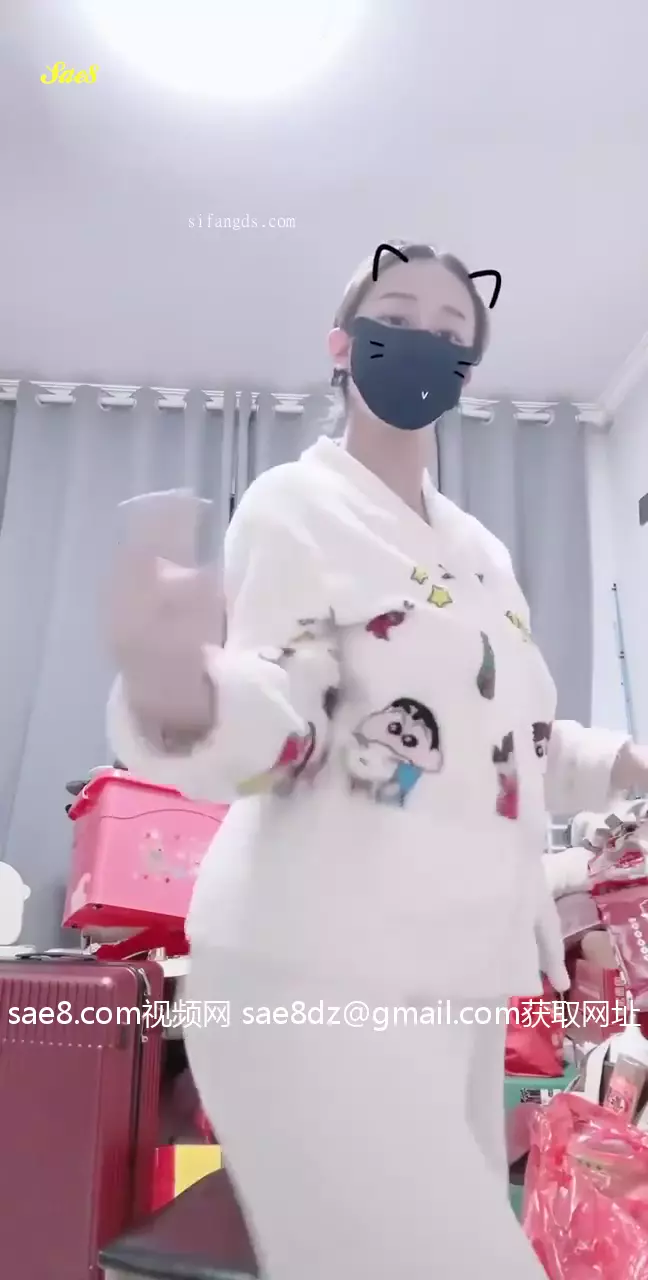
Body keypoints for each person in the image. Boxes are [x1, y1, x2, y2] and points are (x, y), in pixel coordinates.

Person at [106, 240, 648, 1278]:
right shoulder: (296, 506)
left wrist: (629, 760)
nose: (424, 342)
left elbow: (511, 742)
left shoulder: (481, 554)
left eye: (451, 332)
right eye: (398, 317)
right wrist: (183, 695)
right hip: (310, 968)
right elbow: (283, 709)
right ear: (342, 343)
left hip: (453, 985)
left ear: (467, 370)